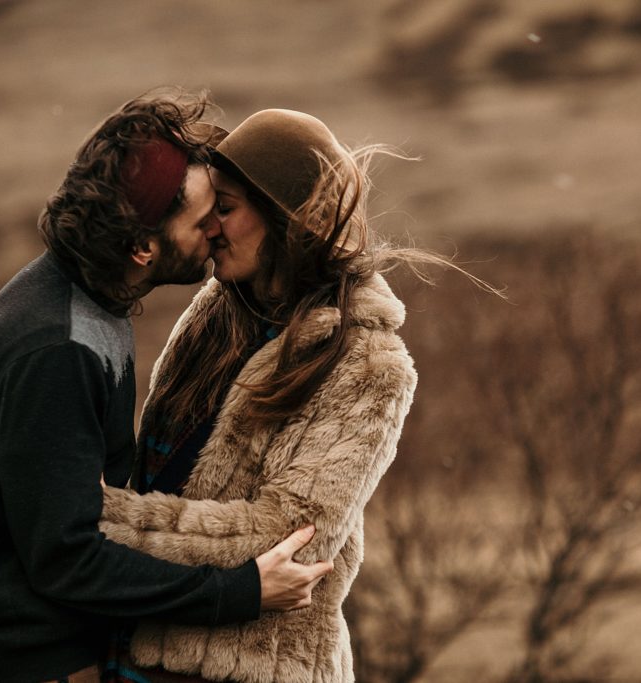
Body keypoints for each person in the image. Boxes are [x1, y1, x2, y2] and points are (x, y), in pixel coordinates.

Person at [0, 91, 332, 683]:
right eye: (203, 220)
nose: (217, 232)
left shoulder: (86, 302)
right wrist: (240, 591)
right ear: (144, 248)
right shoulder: (56, 351)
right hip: (27, 668)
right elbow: (67, 562)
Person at [98, 109, 422, 683]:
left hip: (257, 670)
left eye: (226, 208)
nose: (210, 226)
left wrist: (97, 526)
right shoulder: (214, 313)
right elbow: (158, 468)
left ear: (287, 220)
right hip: (143, 646)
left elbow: (287, 538)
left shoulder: (370, 362)